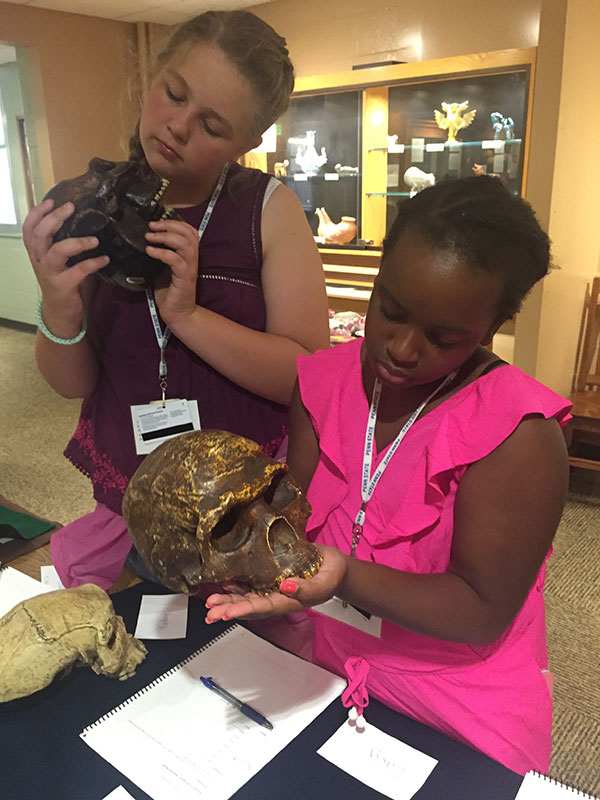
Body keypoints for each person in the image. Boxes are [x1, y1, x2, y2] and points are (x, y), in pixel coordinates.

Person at [204, 175, 572, 776]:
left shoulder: (521, 435)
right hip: (317, 650)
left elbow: (480, 607)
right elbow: (292, 520)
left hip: (450, 690)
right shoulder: (321, 380)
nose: (401, 348)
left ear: (495, 324)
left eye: (444, 338)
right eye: (390, 310)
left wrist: (343, 573)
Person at [22, 10, 329, 589]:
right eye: (173, 95)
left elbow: (306, 375)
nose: (179, 127)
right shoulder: (96, 203)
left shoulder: (268, 208)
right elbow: (73, 384)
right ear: (152, 78)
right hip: (133, 496)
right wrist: (58, 305)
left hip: (240, 513)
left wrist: (186, 316)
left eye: (213, 125)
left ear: (248, 142)